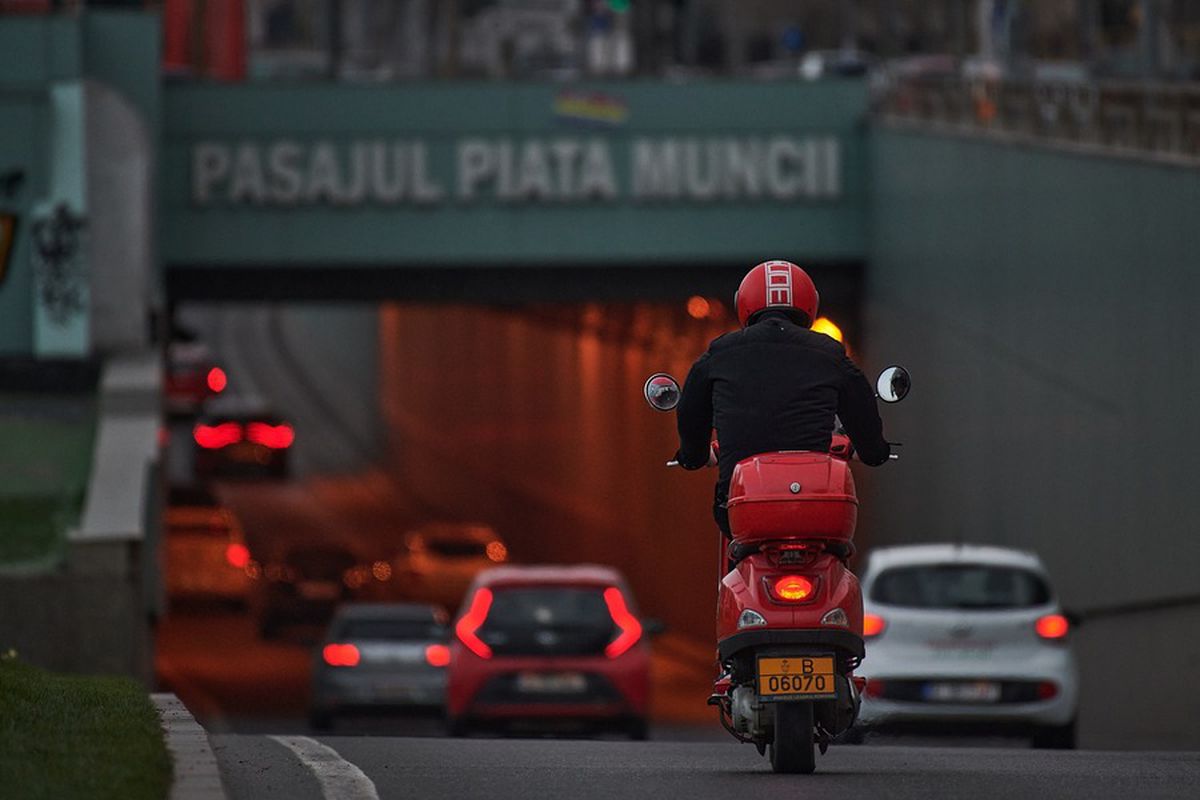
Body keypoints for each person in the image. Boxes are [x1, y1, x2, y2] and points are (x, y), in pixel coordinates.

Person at [674, 260, 891, 538]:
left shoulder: (720, 353)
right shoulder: (830, 353)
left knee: (737, 547)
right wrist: (875, 451)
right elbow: (863, 413)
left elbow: (691, 414)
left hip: (744, 508)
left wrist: (693, 456)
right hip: (818, 505)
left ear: (744, 303)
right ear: (809, 304)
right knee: (836, 550)